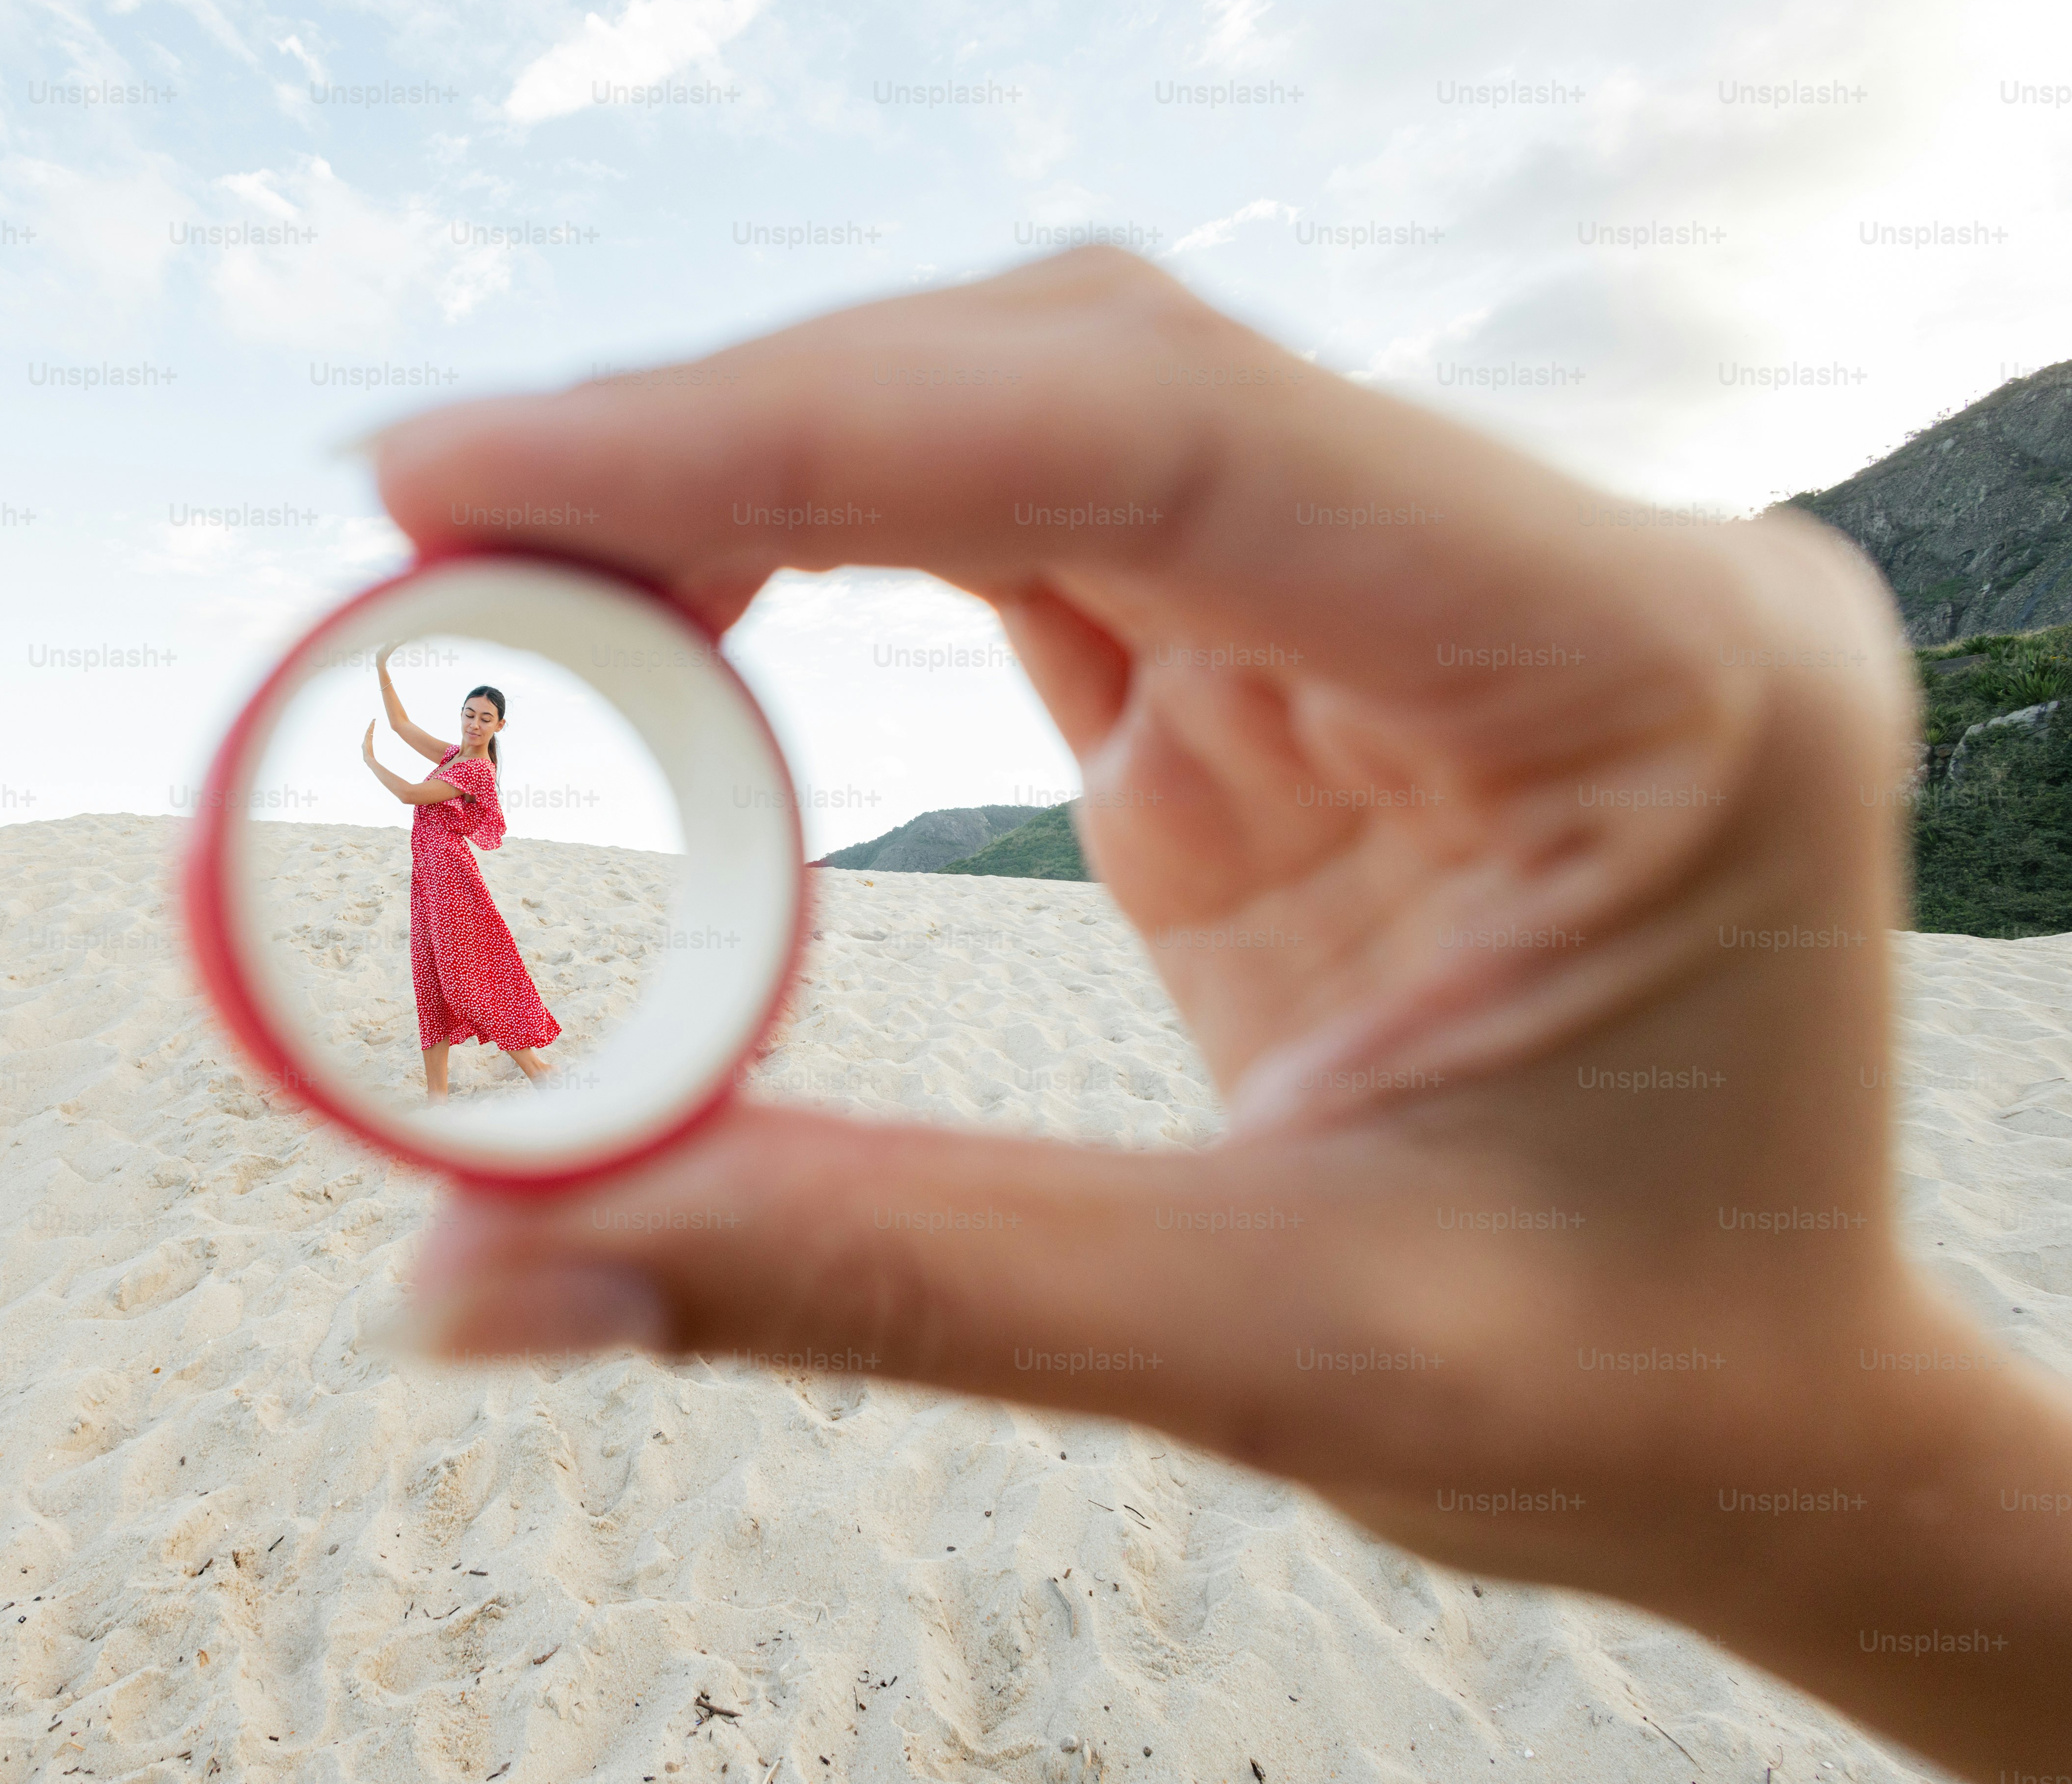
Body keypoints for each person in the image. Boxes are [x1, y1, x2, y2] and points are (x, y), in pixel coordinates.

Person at [357, 247, 2072, 1781]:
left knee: (479, 969)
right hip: (433, 852)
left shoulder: (478, 769)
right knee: (448, 973)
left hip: (453, 855)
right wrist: (1852, 1473)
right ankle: (461, 1066)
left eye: (494, 707)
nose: (488, 719)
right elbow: (404, 754)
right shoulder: (462, 763)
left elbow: (422, 756)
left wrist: (1811, 1448)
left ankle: (491, 1061)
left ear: (505, 718)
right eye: (483, 704)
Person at [362, 645, 562, 1099]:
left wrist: (372, 763)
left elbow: (411, 794)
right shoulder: (455, 753)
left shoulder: (476, 770)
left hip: (452, 880)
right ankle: (438, 1098)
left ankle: (537, 1068)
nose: (474, 724)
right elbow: (401, 725)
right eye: (469, 714)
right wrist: (382, 666)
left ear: (500, 726)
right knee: (430, 982)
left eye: (485, 718)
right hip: (428, 881)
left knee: (467, 983)